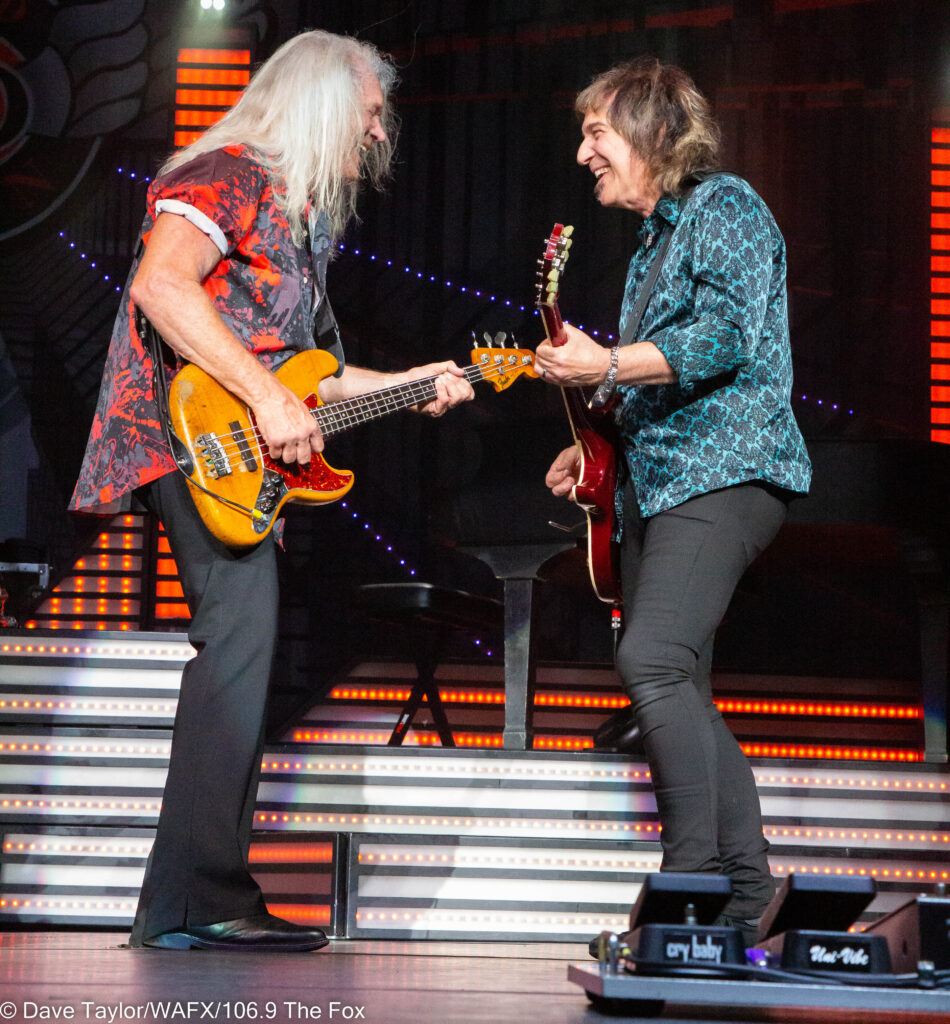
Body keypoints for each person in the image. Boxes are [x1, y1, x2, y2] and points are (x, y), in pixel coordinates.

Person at [69, 30, 473, 952]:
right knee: (238, 647)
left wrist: (409, 384)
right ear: (324, 103)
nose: (380, 135)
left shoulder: (299, 219)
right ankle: (195, 902)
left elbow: (304, 374)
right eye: (371, 115)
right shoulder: (229, 171)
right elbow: (162, 287)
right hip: (189, 434)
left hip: (238, 452)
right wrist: (262, 396)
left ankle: (198, 898)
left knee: (243, 652)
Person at [535, 57, 811, 943]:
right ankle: (746, 895)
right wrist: (592, 444)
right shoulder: (653, 245)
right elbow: (659, 378)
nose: (584, 154)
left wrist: (608, 362)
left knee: (651, 660)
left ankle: (688, 894)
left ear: (652, 133)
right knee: (679, 679)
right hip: (664, 481)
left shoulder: (725, 205)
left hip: (725, 473)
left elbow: (726, 335)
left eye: (597, 134)